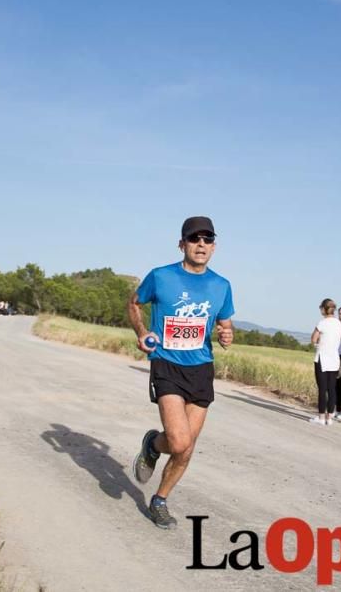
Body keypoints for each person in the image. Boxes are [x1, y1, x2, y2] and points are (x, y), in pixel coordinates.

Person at [128, 216, 235, 529]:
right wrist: (142, 331)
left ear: (213, 246)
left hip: (201, 367)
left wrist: (226, 335)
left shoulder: (221, 285)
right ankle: (153, 445)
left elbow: (225, 325)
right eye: (194, 239)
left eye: (207, 239)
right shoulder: (161, 277)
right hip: (167, 364)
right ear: (182, 244)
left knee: (187, 447)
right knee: (177, 441)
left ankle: (160, 499)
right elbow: (134, 302)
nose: (200, 244)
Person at [310, 298, 341, 425]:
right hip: (334, 359)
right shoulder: (339, 323)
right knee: (332, 389)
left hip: (322, 358)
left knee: (322, 389)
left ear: (323, 309)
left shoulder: (322, 323)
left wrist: (317, 343)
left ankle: (321, 417)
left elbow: (313, 338)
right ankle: (330, 417)